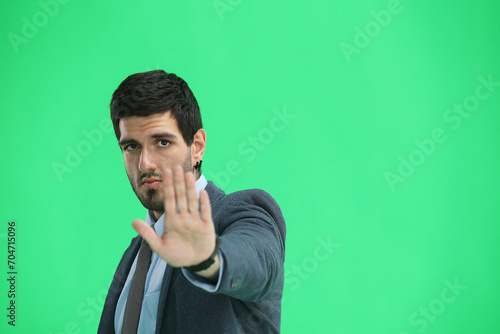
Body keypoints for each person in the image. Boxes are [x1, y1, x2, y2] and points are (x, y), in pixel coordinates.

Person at [98, 70, 286, 333]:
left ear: (196, 146)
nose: (145, 163)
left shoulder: (242, 212)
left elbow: (258, 262)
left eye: (162, 142)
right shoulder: (136, 253)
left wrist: (207, 261)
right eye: (131, 147)